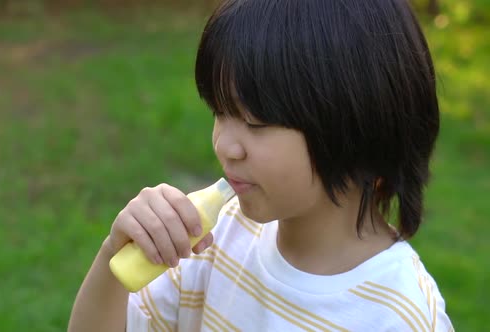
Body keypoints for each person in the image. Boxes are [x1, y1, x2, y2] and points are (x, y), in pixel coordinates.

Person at [68, 0, 454, 330]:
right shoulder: (216, 241)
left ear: (358, 125)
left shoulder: (401, 316)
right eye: (220, 113)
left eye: (256, 123)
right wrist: (111, 260)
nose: (226, 146)